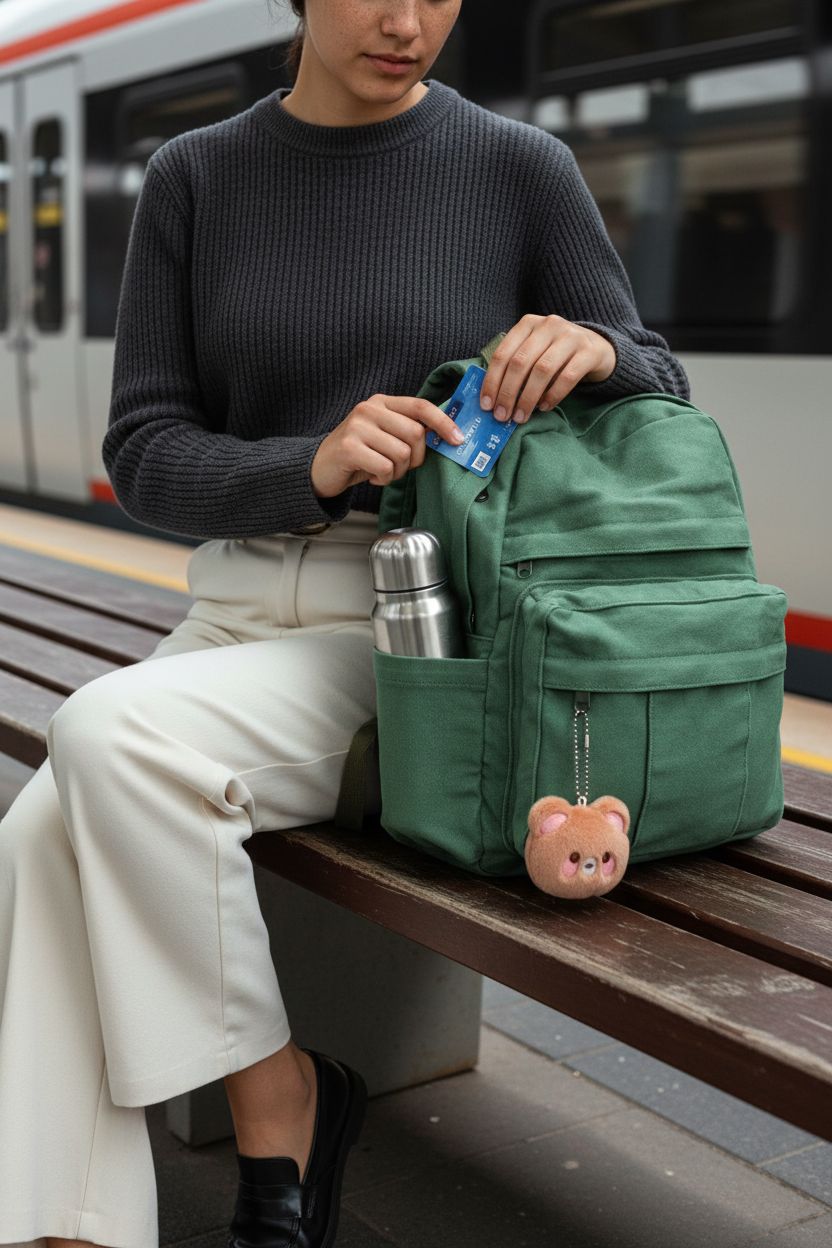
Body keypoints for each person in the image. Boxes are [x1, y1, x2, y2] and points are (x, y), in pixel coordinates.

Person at [0, 2, 690, 1246]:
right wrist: (304, 467)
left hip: (416, 638)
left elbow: (660, 379)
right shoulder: (196, 176)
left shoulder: (516, 168)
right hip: (228, 622)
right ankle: (75, 1227)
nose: (408, 20)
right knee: (34, 845)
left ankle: (279, 1105)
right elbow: (146, 453)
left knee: (103, 738)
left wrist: (590, 345)